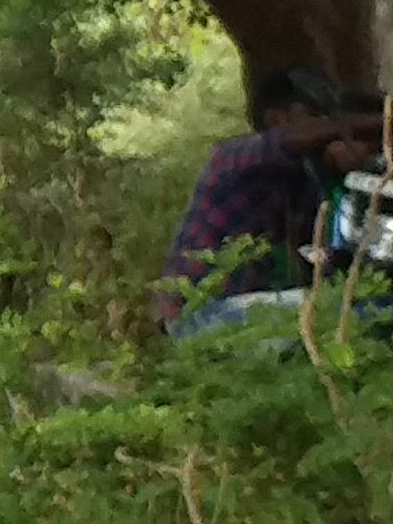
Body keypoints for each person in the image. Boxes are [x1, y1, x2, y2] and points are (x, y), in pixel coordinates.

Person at [165, 64, 386, 334]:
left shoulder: (303, 184)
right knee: (372, 311)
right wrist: (381, 120)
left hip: (237, 312)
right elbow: (293, 140)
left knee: (358, 308)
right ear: (277, 119)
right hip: (202, 314)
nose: (328, 129)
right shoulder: (232, 157)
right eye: (317, 118)